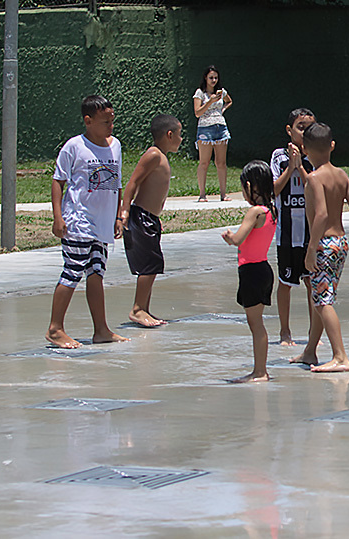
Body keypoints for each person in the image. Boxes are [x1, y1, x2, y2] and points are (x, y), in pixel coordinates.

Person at [45, 95, 129, 349]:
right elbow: (58, 181)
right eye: (105, 122)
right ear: (88, 121)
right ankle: (55, 329)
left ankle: (101, 330)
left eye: (112, 121)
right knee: (72, 272)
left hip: (102, 225)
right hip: (78, 222)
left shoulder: (115, 146)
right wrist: (58, 217)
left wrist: (117, 216)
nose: (110, 126)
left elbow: (117, 183)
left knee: (96, 274)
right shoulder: (74, 147)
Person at [291, 123, 349, 372]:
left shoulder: (314, 178)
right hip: (341, 243)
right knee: (322, 298)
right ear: (332, 146)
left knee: (323, 302)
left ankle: (340, 356)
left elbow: (321, 215)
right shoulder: (342, 175)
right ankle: (310, 352)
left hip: (323, 245)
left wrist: (311, 248)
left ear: (304, 149)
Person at [119, 114, 184, 328]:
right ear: (169, 134)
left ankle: (144, 308)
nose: (181, 139)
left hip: (150, 219)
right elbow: (133, 183)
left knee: (152, 265)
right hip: (141, 217)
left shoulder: (161, 156)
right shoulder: (153, 155)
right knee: (149, 265)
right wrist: (125, 212)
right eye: (179, 134)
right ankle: (137, 309)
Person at [221, 160, 278, 383]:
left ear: (249, 186)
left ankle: (260, 371)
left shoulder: (254, 212)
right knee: (257, 323)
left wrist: (229, 237)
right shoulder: (271, 210)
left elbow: (238, 239)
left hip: (252, 272)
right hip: (263, 269)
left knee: (256, 325)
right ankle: (260, 370)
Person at [270, 108, 318, 346]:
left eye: (310, 128)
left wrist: (301, 165)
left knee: (312, 281)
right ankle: (284, 331)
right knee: (286, 282)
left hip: (310, 233)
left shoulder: (316, 158)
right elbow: (274, 190)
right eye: (301, 127)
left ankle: (313, 332)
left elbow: (315, 187)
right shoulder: (279, 157)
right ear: (289, 130)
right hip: (287, 234)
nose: (305, 132)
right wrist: (291, 166)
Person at [193, 65, 234, 202]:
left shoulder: (221, 92)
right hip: (205, 128)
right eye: (211, 77)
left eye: (216, 78)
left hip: (220, 127)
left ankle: (223, 194)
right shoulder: (200, 93)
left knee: (221, 162)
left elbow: (229, 101)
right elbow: (197, 112)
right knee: (204, 162)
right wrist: (210, 101)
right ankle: (202, 194)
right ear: (205, 78)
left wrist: (222, 109)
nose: (214, 80)